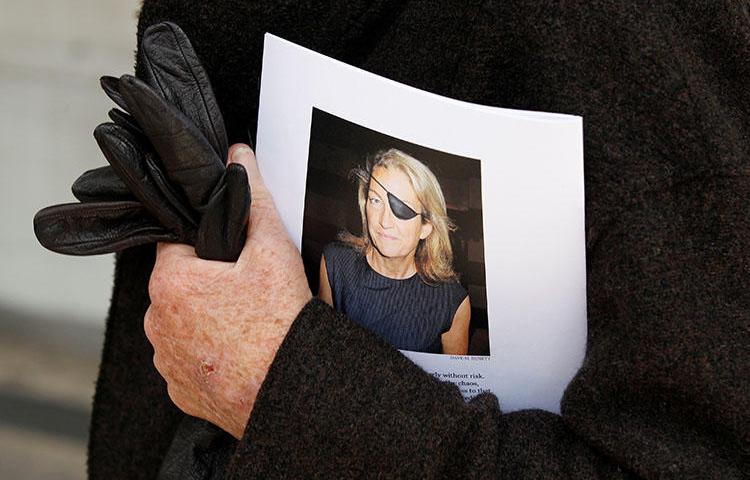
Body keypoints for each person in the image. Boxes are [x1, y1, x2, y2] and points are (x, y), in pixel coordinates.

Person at [86, 2, 748, 479]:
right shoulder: (342, 263)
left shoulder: (650, 47)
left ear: (430, 221)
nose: (379, 214)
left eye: (399, 204)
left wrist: (277, 383)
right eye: (371, 195)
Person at [319, 149, 470, 354]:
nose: (384, 222)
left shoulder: (451, 302)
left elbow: (452, 383)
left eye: (402, 208)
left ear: (426, 227)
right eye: (376, 201)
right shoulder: (335, 264)